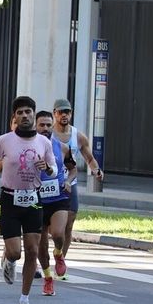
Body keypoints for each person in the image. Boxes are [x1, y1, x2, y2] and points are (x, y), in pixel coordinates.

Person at [0, 96, 56, 304]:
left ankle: (24, 300)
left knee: (32, 250)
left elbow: (52, 169)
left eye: (28, 112)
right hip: (10, 199)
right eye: (20, 112)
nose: (24, 116)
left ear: (34, 115)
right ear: (14, 116)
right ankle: (8, 258)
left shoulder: (44, 142)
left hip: (33, 199)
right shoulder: (5, 140)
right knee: (15, 252)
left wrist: (47, 169)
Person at [49, 97, 102, 277]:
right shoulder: (48, 135)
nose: (64, 115)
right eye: (61, 112)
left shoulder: (78, 136)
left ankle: (60, 259)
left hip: (69, 185)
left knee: (69, 225)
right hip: (49, 184)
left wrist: (96, 170)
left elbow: (89, 158)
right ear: (54, 114)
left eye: (67, 112)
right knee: (45, 226)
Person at [33, 110, 72, 297]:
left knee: (58, 233)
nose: (46, 129)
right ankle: (48, 277)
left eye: (49, 125)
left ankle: (58, 253)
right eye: (42, 125)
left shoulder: (62, 147)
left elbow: (73, 169)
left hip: (59, 198)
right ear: (35, 126)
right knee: (41, 244)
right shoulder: (28, 147)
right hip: (37, 200)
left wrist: (67, 181)